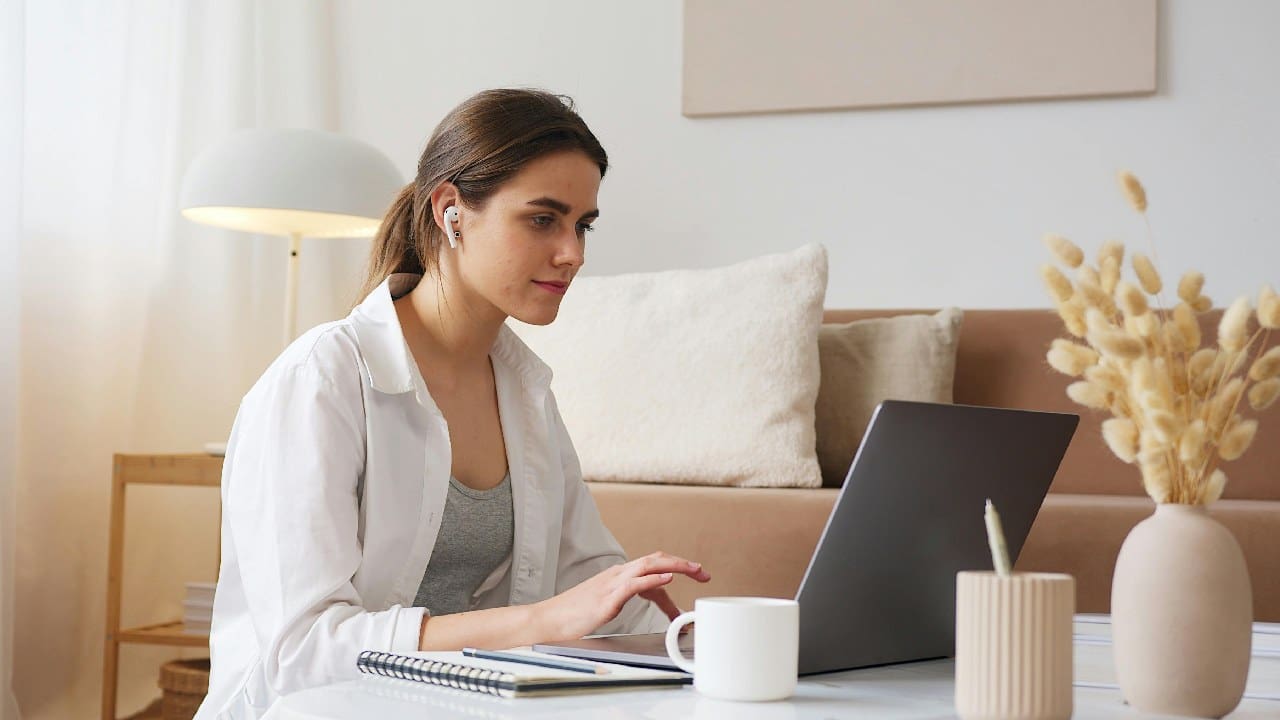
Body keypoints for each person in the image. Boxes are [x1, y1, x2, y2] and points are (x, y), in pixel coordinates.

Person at [195, 88, 711, 719]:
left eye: (582, 225)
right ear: (450, 211)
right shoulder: (320, 381)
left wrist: (709, 642)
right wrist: (537, 623)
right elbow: (304, 654)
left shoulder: (526, 392)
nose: (572, 253)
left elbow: (591, 582)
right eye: (542, 219)